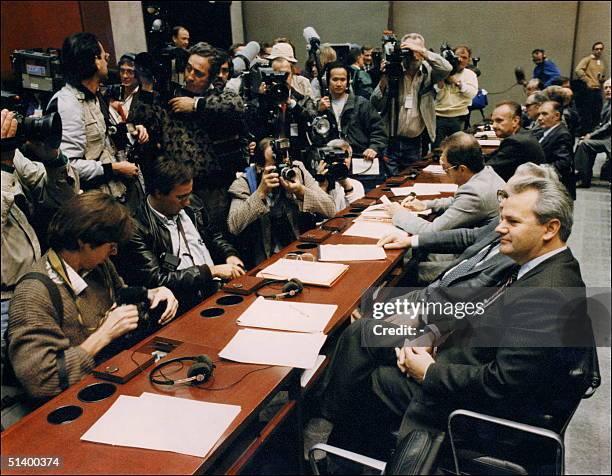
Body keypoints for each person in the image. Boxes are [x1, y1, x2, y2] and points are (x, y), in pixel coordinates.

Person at [319, 175, 591, 463]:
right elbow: (480, 312)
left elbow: (503, 385)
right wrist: (433, 336)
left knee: (372, 381)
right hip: (462, 363)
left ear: (550, 229)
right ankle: (344, 451)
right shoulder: (537, 267)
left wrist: (429, 372)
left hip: (486, 420)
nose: (499, 228)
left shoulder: (548, 293)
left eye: (512, 222)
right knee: (368, 341)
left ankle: (337, 458)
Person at [7, 191, 179, 400]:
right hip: (74, 401)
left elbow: (119, 297)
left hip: (112, 377)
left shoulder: (98, 265)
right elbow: (43, 382)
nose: (114, 252)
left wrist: (152, 293)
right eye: (111, 246)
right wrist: (103, 335)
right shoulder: (34, 294)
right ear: (83, 242)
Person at [142, 42, 248, 233]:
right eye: (188, 69)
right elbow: (142, 118)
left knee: (218, 237)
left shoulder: (217, 98)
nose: (190, 77)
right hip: (177, 189)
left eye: (198, 73)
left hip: (212, 189)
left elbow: (237, 105)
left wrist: (196, 105)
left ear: (212, 77)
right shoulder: (170, 96)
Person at [117, 156, 244, 313]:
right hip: (182, 305)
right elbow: (157, 279)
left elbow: (214, 237)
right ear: (158, 193)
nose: (187, 202)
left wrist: (229, 254)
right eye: (181, 197)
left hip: (218, 292)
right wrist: (211, 271)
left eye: (188, 194)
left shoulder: (193, 203)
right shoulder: (137, 227)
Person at [1, 110, 79, 361]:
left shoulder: (14, 157)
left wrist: (52, 158)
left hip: (38, 284)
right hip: (5, 299)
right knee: (29, 373)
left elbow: (65, 199)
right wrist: (2, 165)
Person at [47, 33, 148, 206]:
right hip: (94, 204)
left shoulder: (94, 95)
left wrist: (133, 130)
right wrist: (115, 168)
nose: (108, 57)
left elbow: (105, 133)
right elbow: (68, 166)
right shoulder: (68, 104)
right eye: (103, 55)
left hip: (116, 194)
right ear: (94, 61)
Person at [227, 138, 336, 268]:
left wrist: (300, 191)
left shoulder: (297, 170)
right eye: (275, 166)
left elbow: (331, 209)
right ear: (259, 167)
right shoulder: (244, 183)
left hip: (301, 251)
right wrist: (260, 193)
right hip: (265, 259)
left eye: (284, 163)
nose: (282, 169)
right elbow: (233, 226)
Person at [371, 33, 452, 175]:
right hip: (390, 140)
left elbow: (447, 68)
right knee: (388, 183)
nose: (411, 55)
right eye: (407, 50)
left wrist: (423, 53)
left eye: (415, 50)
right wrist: (384, 78)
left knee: (411, 179)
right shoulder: (394, 69)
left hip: (415, 141)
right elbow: (375, 103)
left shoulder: (428, 72)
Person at [486, 101, 545, 181]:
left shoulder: (516, 142)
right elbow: (491, 157)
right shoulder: (522, 134)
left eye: (499, 121)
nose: (494, 126)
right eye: (492, 121)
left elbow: (487, 170)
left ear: (515, 121)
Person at [433, 45, 478, 148]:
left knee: (458, 148)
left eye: (464, 57)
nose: (460, 60)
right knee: (437, 148)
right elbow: (437, 97)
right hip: (439, 117)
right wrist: (441, 79)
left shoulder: (470, 74)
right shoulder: (441, 73)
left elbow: (471, 94)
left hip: (459, 117)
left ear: (469, 60)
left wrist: (456, 82)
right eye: (457, 56)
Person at [533, 100, 575, 198]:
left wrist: (535, 170)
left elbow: (563, 163)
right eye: (539, 114)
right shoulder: (542, 132)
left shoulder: (562, 134)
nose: (539, 118)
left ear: (556, 116)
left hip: (555, 190)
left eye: (544, 114)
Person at [575, 78, 611, 188]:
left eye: (610, 87)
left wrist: (592, 135)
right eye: (606, 88)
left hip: (609, 139)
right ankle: (581, 175)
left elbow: (609, 125)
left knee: (586, 144)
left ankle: (582, 178)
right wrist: (589, 134)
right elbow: (601, 124)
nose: (608, 90)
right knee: (583, 141)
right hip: (607, 138)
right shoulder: (607, 104)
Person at [315, 138, 365, 212]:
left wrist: (346, 186)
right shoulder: (314, 184)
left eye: (346, 156)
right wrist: (322, 186)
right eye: (339, 156)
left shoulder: (356, 185)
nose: (344, 160)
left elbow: (359, 212)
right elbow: (320, 215)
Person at [574, 42, 607, 135]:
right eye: (597, 49)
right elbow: (578, 70)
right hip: (589, 90)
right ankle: (585, 131)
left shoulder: (601, 62)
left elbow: (599, 75)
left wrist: (601, 79)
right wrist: (587, 80)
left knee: (597, 111)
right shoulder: (587, 59)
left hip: (597, 89)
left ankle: (594, 131)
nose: (599, 51)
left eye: (601, 49)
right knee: (587, 112)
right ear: (593, 50)